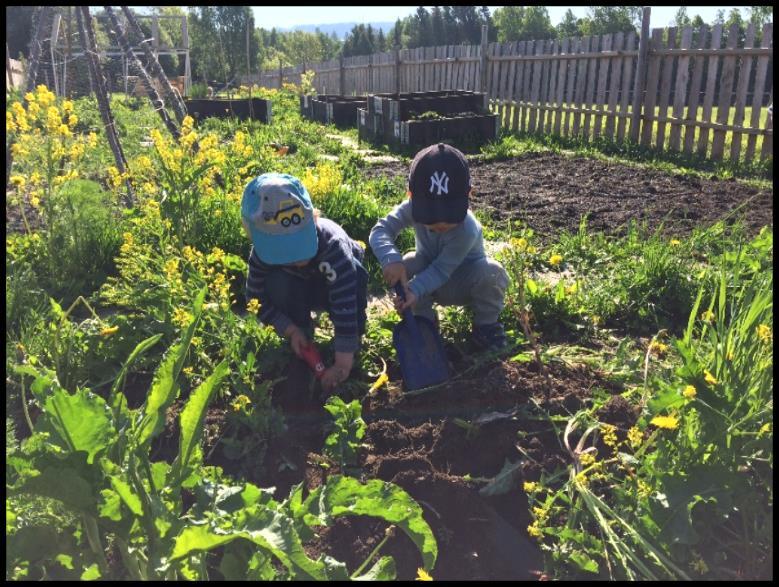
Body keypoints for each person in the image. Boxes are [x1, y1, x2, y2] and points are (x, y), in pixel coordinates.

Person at [369, 143, 510, 350]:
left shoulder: (468, 229)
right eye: (431, 217)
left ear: (469, 195)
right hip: (430, 279)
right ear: (411, 195)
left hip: (464, 281)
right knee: (407, 264)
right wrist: (391, 259)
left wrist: (414, 290)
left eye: (449, 216)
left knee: (493, 273)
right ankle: (425, 324)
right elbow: (381, 229)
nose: (441, 223)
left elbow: (441, 270)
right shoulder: (411, 208)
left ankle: (485, 326)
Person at [242, 172, 368, 392]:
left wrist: (342, 362)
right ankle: (302, 331)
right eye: (284, 252)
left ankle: (353, 339)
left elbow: (344, 301)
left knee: (353, 283)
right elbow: (255, 298)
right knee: (277, 281)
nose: (296, 257)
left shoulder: (333, 246)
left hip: (341, 283)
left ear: (314, 218)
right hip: (299, 288)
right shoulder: (261, 254)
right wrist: (290, 329)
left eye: (300, 244)